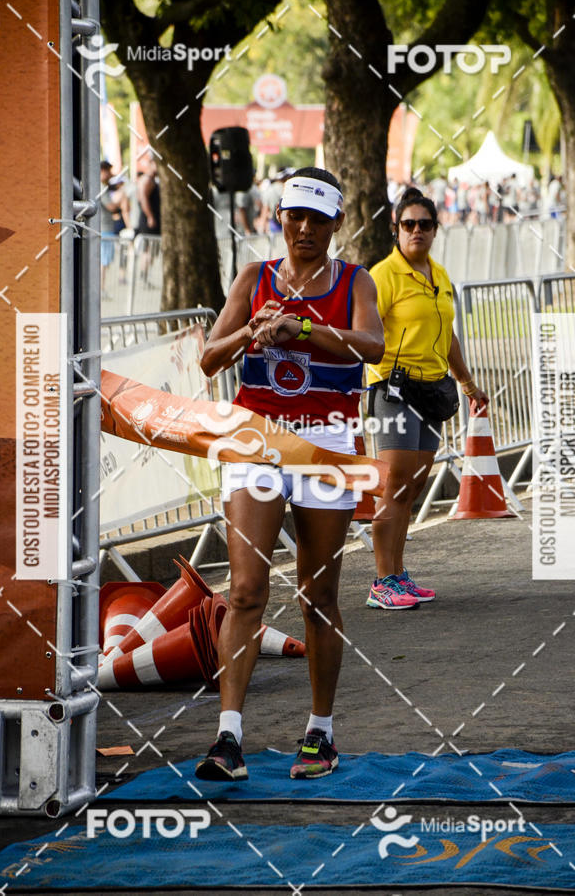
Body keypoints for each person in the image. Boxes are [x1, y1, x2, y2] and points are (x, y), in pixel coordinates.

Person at [195, 167, 384, 782]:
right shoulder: (255, 278)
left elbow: (372, 347)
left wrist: (302, 328)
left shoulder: (355, 281)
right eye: (293, 216)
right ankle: (228, 738)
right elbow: (208, 358)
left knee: (318, 596)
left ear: (336, 224)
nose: (303, 229)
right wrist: (251, 330)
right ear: (278, 218)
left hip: (325, 441)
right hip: (256, 440)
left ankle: (320, 733)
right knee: (246, 590)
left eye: (317, 219)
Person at [366, 187, 488, 610]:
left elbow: (448, 335)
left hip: (433, 390)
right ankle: (381, 581)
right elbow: (363, 332)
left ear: (436, 229)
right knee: (395, 485)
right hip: (393, 390)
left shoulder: (439, 274)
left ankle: (398, 574)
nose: (416, 231)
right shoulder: (383, 275)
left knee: (414, 485)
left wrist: (468, 383)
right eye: (408, 224)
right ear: (395, 229)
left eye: (424, 224)